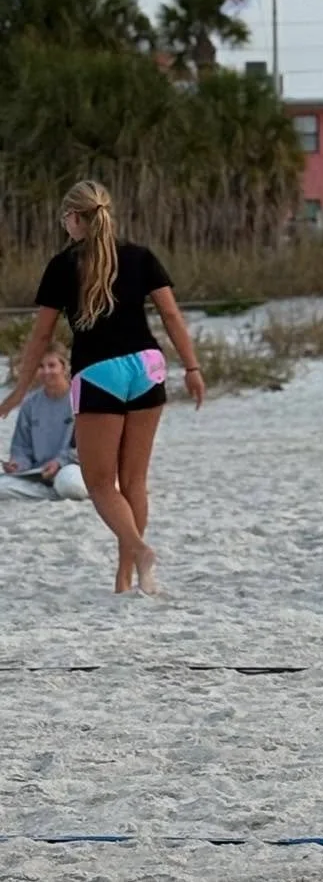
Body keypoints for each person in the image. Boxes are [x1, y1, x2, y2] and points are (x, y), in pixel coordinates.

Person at [0, 180, 206, 595]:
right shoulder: (140, 256)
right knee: (134, 482)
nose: (65, 226)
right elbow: (170, 314)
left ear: (76, 218)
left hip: (100, 372)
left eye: (65, 219)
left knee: (99, 484)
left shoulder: (63, 264)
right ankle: (127, 579)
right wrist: (192, 366)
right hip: (148, 367)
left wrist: (20, 389)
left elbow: (41, 337)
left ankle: (139, 552)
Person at [1, 348, 86, 501]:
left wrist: (59, 462)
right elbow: (21, 447)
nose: (46, 371)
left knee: (72, 485)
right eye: (40, 366)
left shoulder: (81, 399)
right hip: (39, 473)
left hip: (71, 469)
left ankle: (52, 491)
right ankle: (49, 493)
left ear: (64, 367)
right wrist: (17, 464)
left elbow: (88, 446)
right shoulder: (30, 404)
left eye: (52, 365)